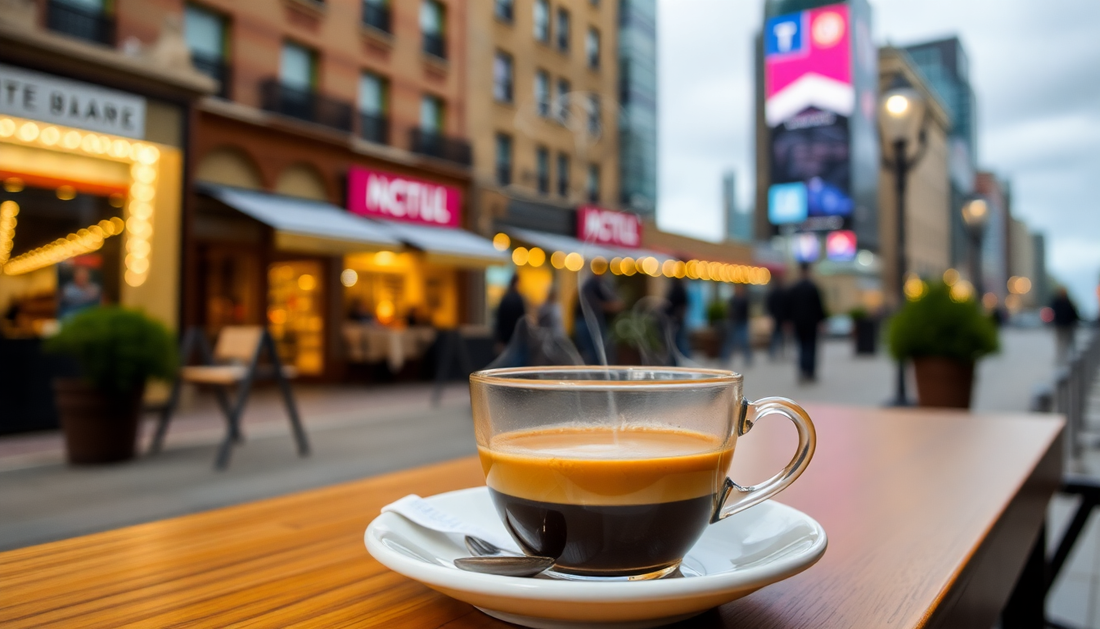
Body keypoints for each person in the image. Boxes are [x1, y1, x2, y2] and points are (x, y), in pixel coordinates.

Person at [787, 263, 825, 383]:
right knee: (811, 347)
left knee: (801, 347)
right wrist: (821, 321)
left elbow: (789, 307)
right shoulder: (812, 287)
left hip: (798, 323)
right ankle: (810, 372)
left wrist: (789, 321)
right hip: (811, 323)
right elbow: (819, 306)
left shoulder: (794, 288)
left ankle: (803, 370)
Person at [573, 272, 623, 364]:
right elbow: (593, 304)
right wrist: (613, 306)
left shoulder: (590, 284)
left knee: (592, 352)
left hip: (587, 322)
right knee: (596, 353)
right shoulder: (593, 284)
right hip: (590, 323)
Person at [720, 284, 753, 368]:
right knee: (729, 342)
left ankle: (748, 358)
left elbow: (747, 312)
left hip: (742, 322)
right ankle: (725, 358)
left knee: (744, 342)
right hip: (734, 322)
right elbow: (729, 310)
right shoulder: (733, 299)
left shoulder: (745, 299)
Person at [494, 274, 526, 354]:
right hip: (516, 338)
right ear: (517, 283)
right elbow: (522, 319)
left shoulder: (505, 298)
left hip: (505, 339)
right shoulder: (518, 299)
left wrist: (499, 339)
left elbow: (499, 319)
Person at [1050, 286, 1080, 365]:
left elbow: (1073, 313)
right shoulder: (1060, 302)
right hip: (1060, 326)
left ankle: (1066, 359)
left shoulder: (1066, 302)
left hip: (1066, 326)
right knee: (1061, 343)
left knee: (1066, 343)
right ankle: (1060, 359)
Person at [664, 277, 690, 361]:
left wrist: (678, 316)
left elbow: (683, 305)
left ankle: (683, 360)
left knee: (679, 341)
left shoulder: (679, 289)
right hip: (674, 319)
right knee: (676, 341)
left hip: (677, 320)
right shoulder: (676, 289)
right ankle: (677, 360)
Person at [765, 278, 789, 360]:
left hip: (774, 317)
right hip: (782, 318)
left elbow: (769, 304)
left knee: (774, 335)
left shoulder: (773, 292)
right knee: (782, 336)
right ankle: (781, 352)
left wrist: (770, 315)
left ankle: (772, 353)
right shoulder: (784, 292)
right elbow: (787, 306)